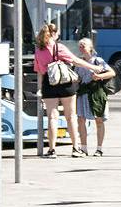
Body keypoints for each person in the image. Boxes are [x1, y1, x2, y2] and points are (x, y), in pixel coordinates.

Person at [33, 23, 88, 158]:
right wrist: (92, 67)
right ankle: (75, 149)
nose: (58, 36)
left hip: (48, 84)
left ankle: (52, 150)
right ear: (53, 34)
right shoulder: (59, 47)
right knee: (71, 117)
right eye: (57, 33)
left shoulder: (39, 50)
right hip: (65, 84)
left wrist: (39, 89)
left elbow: (39, 72)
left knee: (52, 117)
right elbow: (75, 61)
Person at [73, 36, 117, 156]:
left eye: (83, 46)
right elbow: (77, 78)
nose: (81, 48)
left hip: (96, 94)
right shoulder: (79, 62)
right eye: (80, 46)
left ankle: (99, 148)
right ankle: (84, 148)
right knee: (81, 120)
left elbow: (112, 73)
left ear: (90, 48)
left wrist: (99, 76)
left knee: (99, 120)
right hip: (83, 94)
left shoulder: (98, 60)